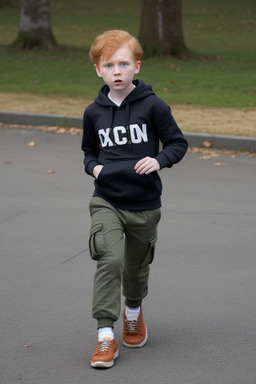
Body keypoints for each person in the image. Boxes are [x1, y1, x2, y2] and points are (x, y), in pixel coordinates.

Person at [81, 29, 188, 368]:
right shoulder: (93, 112)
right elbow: (88, 152)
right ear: (98, 69)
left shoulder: (153, 106)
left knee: (136, 269)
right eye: (109, 64)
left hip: (144, 204)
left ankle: (133, 310)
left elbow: (177, 143)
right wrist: (95, 169)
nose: (116, 71)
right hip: (107, 200)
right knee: (109, 260)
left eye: (123, 63)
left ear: (136, 67)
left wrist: (159, 160)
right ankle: (105, 336)